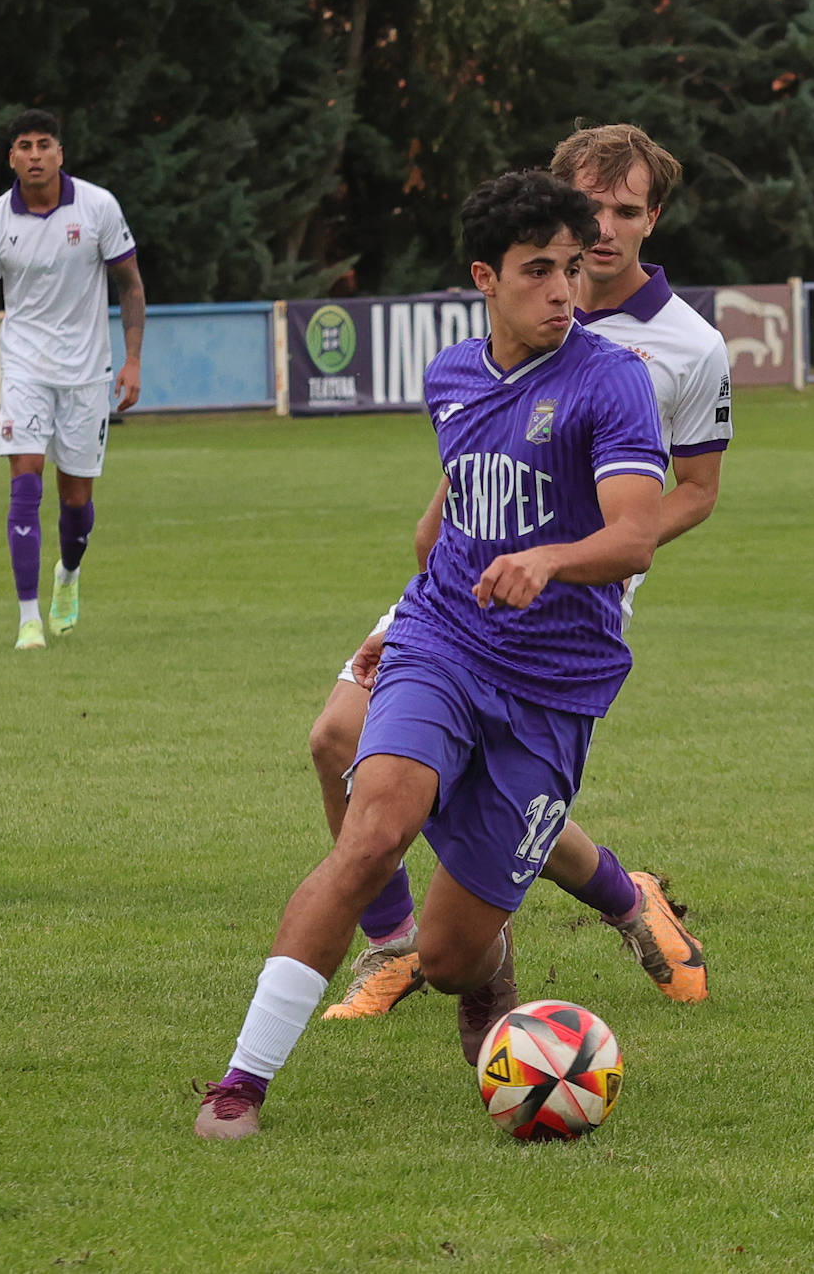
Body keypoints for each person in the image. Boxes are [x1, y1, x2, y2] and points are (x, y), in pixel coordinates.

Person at [195, 169, 668, 1139]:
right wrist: (393, 625)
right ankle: (242, 1082)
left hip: (556, 690)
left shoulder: (610, 380)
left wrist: (548, 559)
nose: (561, 295)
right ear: (484, 278)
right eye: (538, 272)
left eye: (573, 272)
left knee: (451, 958)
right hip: (444, 643)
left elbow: (634, 538)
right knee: (373, 833)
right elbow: (447, 524)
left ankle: (483, 972)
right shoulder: (450, 377)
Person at [309, 123, 730, 1019]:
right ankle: (395, 946)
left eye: (626, 210)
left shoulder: (684, 347)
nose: (604, 230)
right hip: (462, 577)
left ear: (652, 218)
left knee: (495, 791)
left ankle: (613, 900)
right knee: (336, 739)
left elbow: (694, 490)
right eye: (591, 207)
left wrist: (592, 557)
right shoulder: (525, 291)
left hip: (566, 591)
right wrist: (441, 539)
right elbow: (485, 441)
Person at [0, 110, 145, 649]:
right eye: (24, 146)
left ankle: (68, 576)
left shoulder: (98, 207)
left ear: (60, 153)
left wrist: (132, 360)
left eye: (44, 145)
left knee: (76, 502)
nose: (34, 154)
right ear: (11, 157)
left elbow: (129, 284)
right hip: (25, 369)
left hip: (85, 374)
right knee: (26, 481)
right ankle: (27, 618)